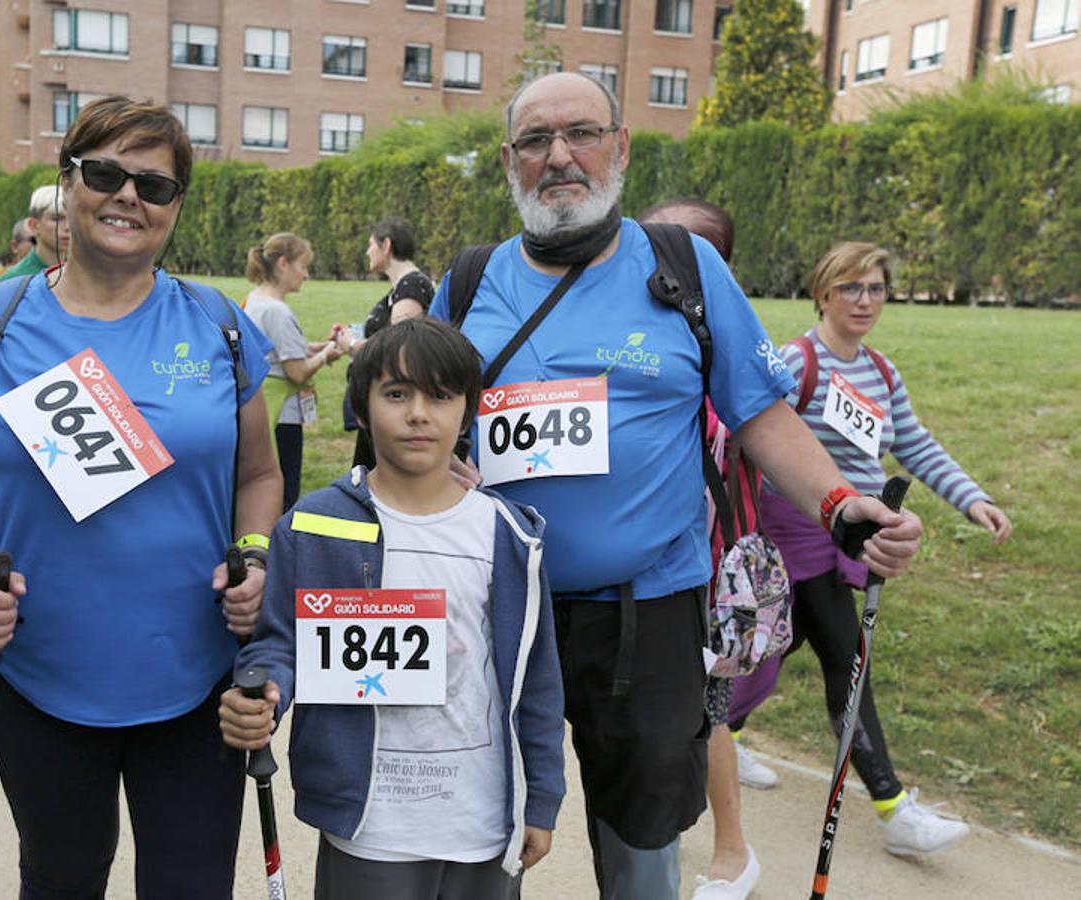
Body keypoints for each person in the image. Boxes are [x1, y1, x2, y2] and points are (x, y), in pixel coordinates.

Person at [427, 72, 923, 900]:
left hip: (647, 610)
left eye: (581, 133)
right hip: (500, 605)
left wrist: (842, 506)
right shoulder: (470, 281)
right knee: (490, 819)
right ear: (510, 163)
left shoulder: (683, 268)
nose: (560, 156)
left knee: (644, 826)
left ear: (620, 147)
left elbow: (760, 413)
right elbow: (425, 416)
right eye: (535, 141)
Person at [0, 95, 282, 898]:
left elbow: (259, 475)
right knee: (61, 879)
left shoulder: (218, 324)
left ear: (177, 206)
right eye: (106, 172)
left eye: (154, 185)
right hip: (40, 675)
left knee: (191, 887)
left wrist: (256, 555)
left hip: (199, 681)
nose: (127, 197)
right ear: (67, 181)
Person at [218, 317, 566, 900]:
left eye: (441, 395)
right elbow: (281, 643)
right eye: (397, 393)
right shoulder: (312, 526)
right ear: (361, 405)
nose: (418, 414)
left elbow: (537, 679)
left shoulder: (508, 535)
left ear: (468, 411)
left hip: (480, 818)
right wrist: (265, 696)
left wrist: (544, 797)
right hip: (371, 822)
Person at [726, 241, 1012, 858]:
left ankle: (720, 735)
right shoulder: (794, 361)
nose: (864, 300)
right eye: (850, 287)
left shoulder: (881, 372)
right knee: (846, 657)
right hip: (792, 535)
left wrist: (973, 498)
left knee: (775, 649)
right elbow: (752, 433)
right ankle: (893, 807)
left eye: (875, 289)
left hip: (848, 536)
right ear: (823, 292)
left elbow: (915, 445)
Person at [639, 198, 760, 900]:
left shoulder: (731, 350)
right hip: (643, 572)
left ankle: (732, 852)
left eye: (686, 249)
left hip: (704, 574)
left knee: (704, 716)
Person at [244, 232, 344, 511]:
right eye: (303, 266)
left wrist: (319, 347)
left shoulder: (256, 299)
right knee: (284, 493)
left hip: (262, 409)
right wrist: (325, 355)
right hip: (282, 418)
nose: (307, 274)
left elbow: (276, 350)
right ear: (284, 264)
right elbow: (297, 372)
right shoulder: (277, 311)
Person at [332, 217, 437, 469]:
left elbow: (398, 349)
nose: (368, 251)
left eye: (371, 245)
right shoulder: (404, 287)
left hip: (395, 406)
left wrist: (352, 345)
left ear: (386, 245)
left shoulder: (411, 285)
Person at [0, 184, 70, 282]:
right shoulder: (12, 280)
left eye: (72, 219)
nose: (67, 227)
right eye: (57, 219)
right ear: (34, 225)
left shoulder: (85, 276)